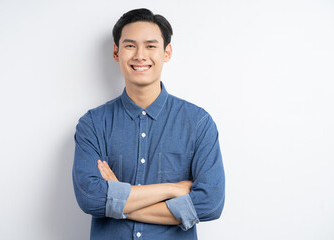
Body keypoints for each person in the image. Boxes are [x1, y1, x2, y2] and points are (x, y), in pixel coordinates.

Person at [72, 8, 225, 240]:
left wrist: (118, 201)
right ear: (116, 52)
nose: (140, 55)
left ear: (167, 52)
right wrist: (172, 189)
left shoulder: (198, 123)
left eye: (151, 46)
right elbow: (91, 199)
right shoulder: (93, 124)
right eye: (130, 45)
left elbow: (210, 204)